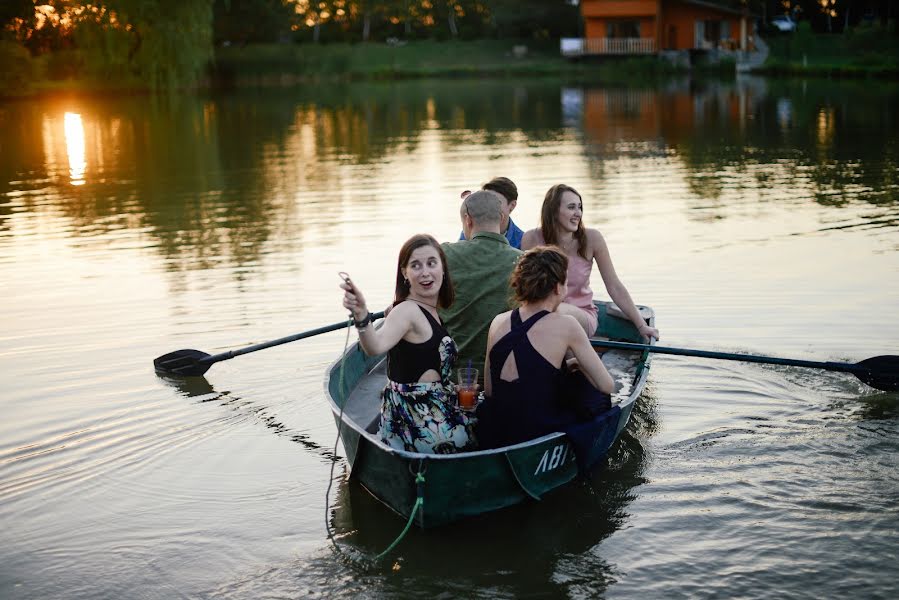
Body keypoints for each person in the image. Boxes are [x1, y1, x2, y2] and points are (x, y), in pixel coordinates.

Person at [340, 234, 474, 454]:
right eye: (415, 265)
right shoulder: (406, 311)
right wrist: (362, 316)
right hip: (414, 421)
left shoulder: (427, 310)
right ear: (405, 273)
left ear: (442, 267)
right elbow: (374, 346)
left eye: (431, 263)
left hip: (437, 406)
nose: (425, 272)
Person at [476, 246, 615, 450]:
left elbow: (489, 390)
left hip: (497, 427)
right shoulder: (567, 324)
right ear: (558, 288)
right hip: (539, 429)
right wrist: (577, 364)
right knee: (596, 395)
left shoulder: (498, 321)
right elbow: (607, 385)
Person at [521, 184, 659, 341]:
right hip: (542, 315)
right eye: (571, 207)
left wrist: (641, 326)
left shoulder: (592, 239)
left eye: (580, 207)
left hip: (581, 314)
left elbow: (614, 286)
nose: (578, 213)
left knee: (554, 310)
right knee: (534, 313)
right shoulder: (531, 238)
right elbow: (526, 287)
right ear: (553, 212)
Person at [440, 190, 522, 383]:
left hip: (452, 376)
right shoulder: (524, 262)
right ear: (502, 218)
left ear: (467, 220)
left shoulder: (442, 255)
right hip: (505, 376)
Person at [459, 177, 524, 249]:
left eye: (496, 201)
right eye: (485, 200)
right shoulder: (469, 230)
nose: (488, 205)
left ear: (512, 205)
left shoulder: (522, 241)